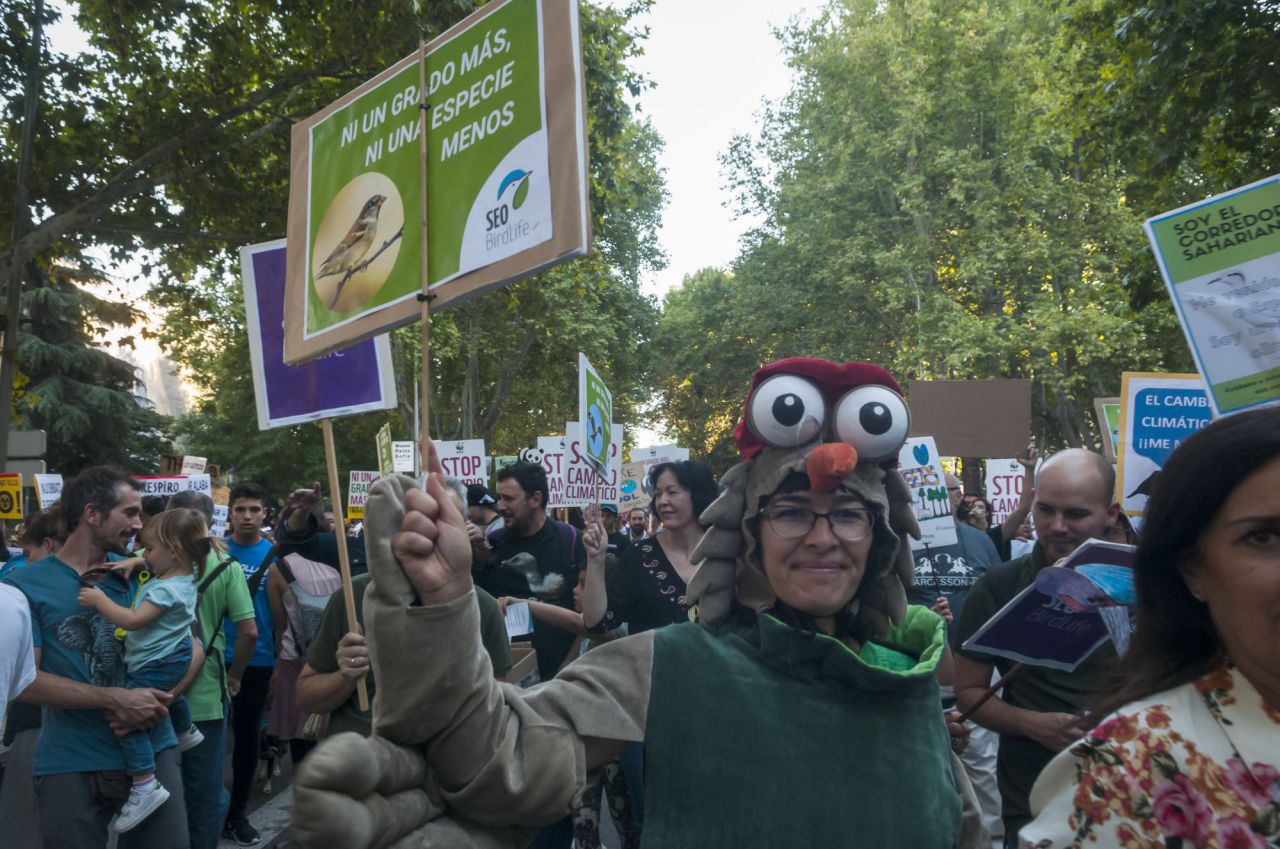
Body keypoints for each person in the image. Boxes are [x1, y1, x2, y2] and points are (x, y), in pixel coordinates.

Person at [290, 358, 983, 849]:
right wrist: (443, 602)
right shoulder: (672, 665)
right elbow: (497, 763)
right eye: (793, 511)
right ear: (748, 532)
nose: (823, 537)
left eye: (850, 515)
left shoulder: (907, 677)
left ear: (881, 537)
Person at [1019, 408, 1280, 847]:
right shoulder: (1130, 772)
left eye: (1074, 512)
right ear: (1193, 570)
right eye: (1264, 537)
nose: (1058, 526)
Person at [3, 466, 197, 848]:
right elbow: (24, 680)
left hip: (153, 751)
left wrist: (160, 699)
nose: (139, 525)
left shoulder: (145, 573)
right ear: (92, 514)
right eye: (130, 513)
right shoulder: (22, 586)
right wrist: (117, 699)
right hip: (70, 759)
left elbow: (194, 648)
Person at [954, 448, 1120, 846]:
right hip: (1032, 792)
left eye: (1076, 514)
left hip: (1131, 783)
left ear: (1110, 514)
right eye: (1046, 510)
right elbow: (969, 691)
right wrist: (1037, 725)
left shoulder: (1148, 584)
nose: (1057, 526)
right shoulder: (999, 586)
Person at [296, 476, 512, 738]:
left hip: (446, 758)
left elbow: (495, 712)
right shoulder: (353, 598)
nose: (430, 530)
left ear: (464, 528)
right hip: (364, 753)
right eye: (420, 518)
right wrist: (345, 676)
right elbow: (307, 697)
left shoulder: (482, 608)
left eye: (445, 520)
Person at [76, 508, 208, 832]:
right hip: (175, 655)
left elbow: (133, 620)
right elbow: (155, 560)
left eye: (148, 548)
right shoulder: (185, 575)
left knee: (126, 720)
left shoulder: (165, 590)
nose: (143, 554)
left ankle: (145, 784)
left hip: (156, 661)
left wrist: (99, 600)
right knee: (168, 695)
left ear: (173, 551)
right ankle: (185, 730)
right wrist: (134, 563)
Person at [167, 491, 257, 849]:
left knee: (149, 787)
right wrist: (235, 675)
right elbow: (249, 631)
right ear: (209, 521)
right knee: (203, 791)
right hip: (204, 696)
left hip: (147, 693)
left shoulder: (144, 559)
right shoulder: (225, 564)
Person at [474, 461, 586, 681]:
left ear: (535, 499)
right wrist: (477, 558)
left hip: (562, 679)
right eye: (499, 498)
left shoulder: (572, 541)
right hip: (507, 679)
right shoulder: (492, 544)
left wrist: (568, 666)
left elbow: (587, 619)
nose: (500, 506)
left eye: (509, 498)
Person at [583, 460, 717, 636]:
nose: (662, 501)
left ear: (698, 495)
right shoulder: (639, 555)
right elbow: (596, 623)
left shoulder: (727, 554)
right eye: (658, 494)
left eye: (672, 492)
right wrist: (596, 560)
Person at [0, 506, 67, 849]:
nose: (24, 563)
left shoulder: (17, 591)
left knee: (23, 823)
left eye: (29, 554)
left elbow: (26, 677)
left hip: (36, 724)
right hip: (52, 724)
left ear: (49, 545)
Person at [222, 481, 278, 846]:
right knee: (206, 742)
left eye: (254, 509)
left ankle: (236, 815)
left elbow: (281, 612)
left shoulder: (275, 555)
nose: (247, 516)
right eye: (240, 509)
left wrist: (280, 662)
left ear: (264, 514)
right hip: (212, 659)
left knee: (246, 740)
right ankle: (203, 809)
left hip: (257, 661)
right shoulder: (213, 550)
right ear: (230, 513)